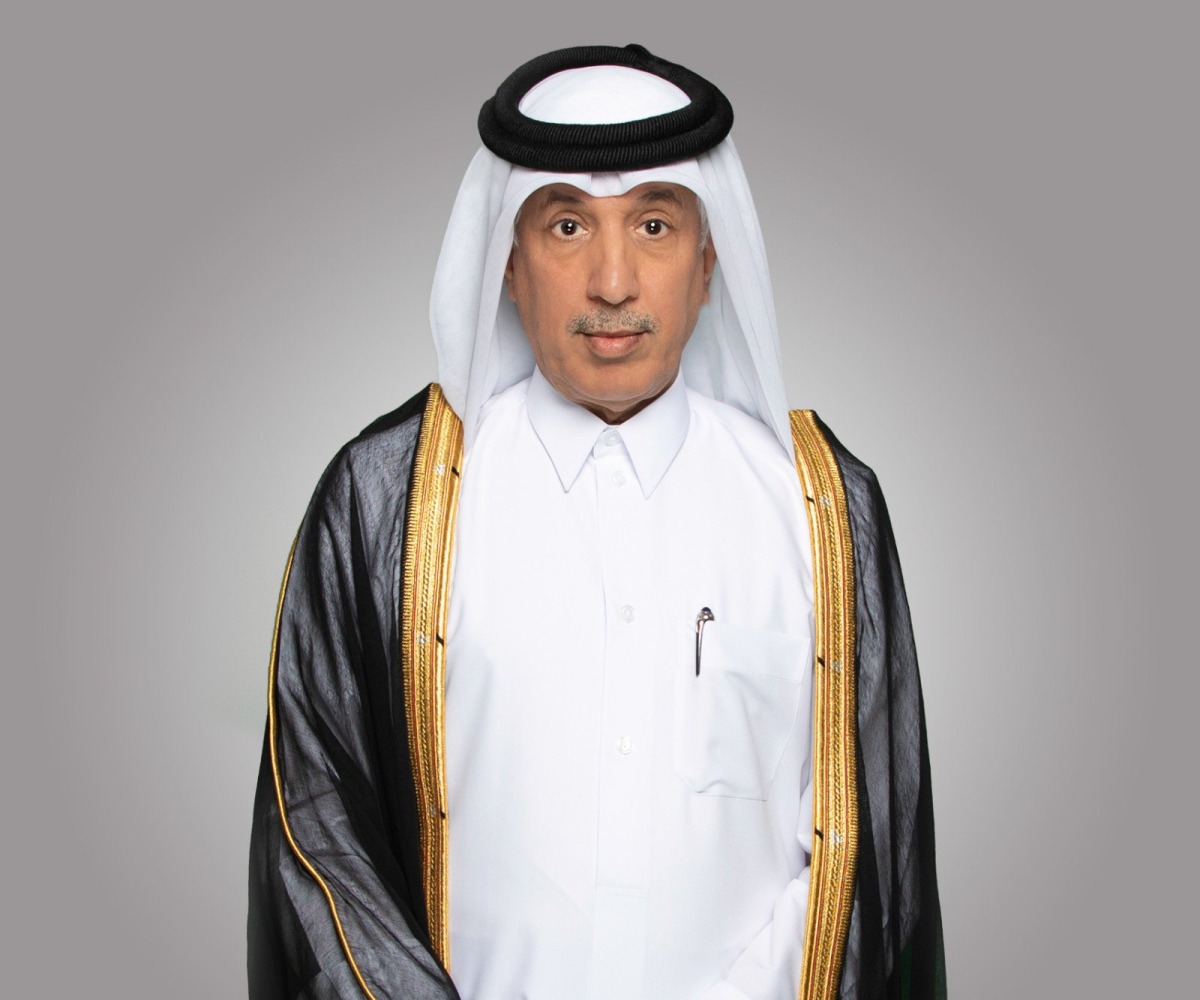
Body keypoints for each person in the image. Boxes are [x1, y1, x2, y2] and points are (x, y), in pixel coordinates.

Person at [248, 44, 945, 1000]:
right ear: (508, 262)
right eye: (567, 225)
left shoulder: (819, 508)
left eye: (655, 225)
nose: (613, 282)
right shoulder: (387, 505)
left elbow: (866, 843)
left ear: (708, 262)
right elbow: (322, 830)